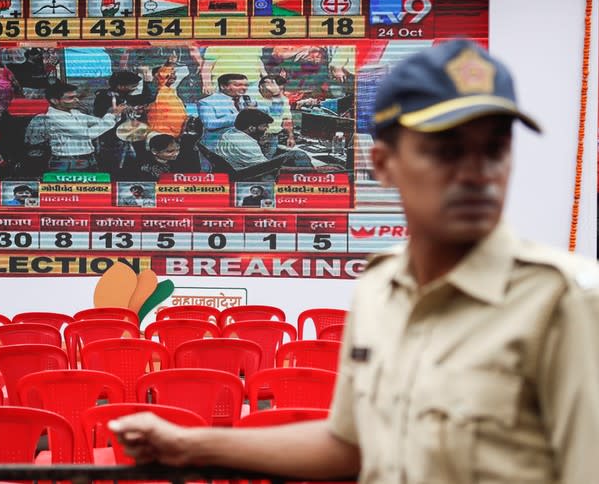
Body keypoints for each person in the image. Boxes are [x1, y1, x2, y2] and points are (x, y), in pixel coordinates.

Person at [108, 40, 599, 483]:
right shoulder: (381, 290)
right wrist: (189, 444)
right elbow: (349, 447)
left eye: (495, 150)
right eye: (445, 151)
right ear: (383, 164)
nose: (478, 174)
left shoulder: (565, 303)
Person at [24, 82, 126, 172]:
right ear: (55, 101)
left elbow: (98, 122)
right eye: (70, 98)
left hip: (87, 159)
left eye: (76, 96)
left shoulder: (75, 112)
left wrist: (115, 114)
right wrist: (112, 116)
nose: (76, 100)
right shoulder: (54, 117)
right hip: (67, 162)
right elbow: (87, 134)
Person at [217, 109, 311, 171]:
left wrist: (259, 143)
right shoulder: (247, 144)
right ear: (251, 128)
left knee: (283, 151)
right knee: (298, 154)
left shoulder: (229, 133)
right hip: (252, 174)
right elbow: (265, 169)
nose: (267, 128)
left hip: (237, 167)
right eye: (264, 126)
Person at [197, 73, 256, 152]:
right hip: (217, 147)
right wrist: (241, 115)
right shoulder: (207, 102)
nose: (244, 88)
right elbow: (209, 124)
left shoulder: (248, 100)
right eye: (238, 85)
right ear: (223, 86)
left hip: (244, 146)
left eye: (246, 85)